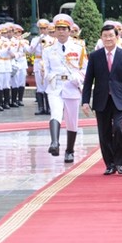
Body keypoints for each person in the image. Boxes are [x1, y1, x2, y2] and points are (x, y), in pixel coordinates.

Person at [81, 24, 122, 175]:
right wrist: (85, 101)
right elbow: (88, 81)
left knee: (118, 129)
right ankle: (110, 164)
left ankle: (120, 163)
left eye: (111, 35)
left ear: (117, 37)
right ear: (101, 38)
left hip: (120, 99)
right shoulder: (95, 56)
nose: (108, 39)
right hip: (101, 99)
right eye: (105, 36)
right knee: (104, 133)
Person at [42, 14, 87, 162]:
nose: (61, 31)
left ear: (69, 30)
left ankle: (70, 150)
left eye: (64, 29)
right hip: (55, 86)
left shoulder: (78, 48)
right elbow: (46, 69)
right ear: (54, 31)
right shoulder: (48, 49)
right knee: (55, 112)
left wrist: (79, 79)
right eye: (58, 29)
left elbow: (84, 68)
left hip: (72, 86)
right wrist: (49, 77)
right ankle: (54, 142)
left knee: (72, 120)